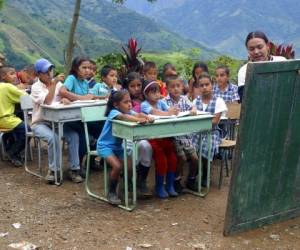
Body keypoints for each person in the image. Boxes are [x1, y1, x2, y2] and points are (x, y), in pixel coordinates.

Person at [30, 58, 83, 184]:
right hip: (40, 123)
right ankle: (53, 171)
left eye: (51, 70)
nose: (50, 74)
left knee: (74, 136)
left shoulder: (59, 85)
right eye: (46, 72)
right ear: (38, 74)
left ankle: (74, 169)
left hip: (57, 122)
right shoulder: (36, 87)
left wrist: (66, 100)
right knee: (53, 138)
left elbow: (67, 97)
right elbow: (48, 101)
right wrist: (54, 84)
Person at [97, 89, 153, 205]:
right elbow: (123, 117)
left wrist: (147, 117)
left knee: (130, 166)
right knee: (117, 166)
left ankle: (124, 188)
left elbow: (138, 114)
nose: (129, 104)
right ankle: (111, 192)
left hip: (118, 147)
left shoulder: (128, 111)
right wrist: (139, 120)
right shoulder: (114, 112)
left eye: (130, 101)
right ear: (116, 104)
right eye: (125, 102)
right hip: (105, 146)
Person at [59, 56, 99, 172]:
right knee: (84, 135)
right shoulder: (72, 78)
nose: (88, 70)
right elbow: (62, 91)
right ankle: (78, 165)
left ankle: (90, 161)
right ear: (76, 69)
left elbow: (88, 97)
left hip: (83, 117)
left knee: (101, 130)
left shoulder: (85, 82)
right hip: (71, 119)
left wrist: (104, 97)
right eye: (84, 68)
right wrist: (80, 98)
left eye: (89, 68)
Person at [141, 80, 178, 198]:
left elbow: (169, 110)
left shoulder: (161, 102)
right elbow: (155, 112)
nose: (157, 94)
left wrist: (173, 111)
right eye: (153, 92)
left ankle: (170, 185)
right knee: (161, 160)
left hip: (164, 137)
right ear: (146, 94)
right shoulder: (144, 105)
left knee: (172, 159)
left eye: (158, 91)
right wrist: (168, 113)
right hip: (152, 138)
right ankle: (159, 186)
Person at [164, 76, 199, 193]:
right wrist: (169, 113)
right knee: (182, 158)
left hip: (186, 135)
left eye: (178, 86)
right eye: (172, 87)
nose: (176, 89)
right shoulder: (165, 101)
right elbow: (164, 114)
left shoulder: (184, 99)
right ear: (167, 88)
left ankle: (191, 179)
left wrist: (193, 108)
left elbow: (193, 106)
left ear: (182, 87)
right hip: (173, 135)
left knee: (195, 158)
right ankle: (176, 180)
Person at [193, 73, 227, 187]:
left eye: (207, 84)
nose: (204, 87)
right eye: (201, 85)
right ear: (198, 87)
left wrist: (199, 121)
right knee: (191, 147)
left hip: (212, 132)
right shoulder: (195, 102)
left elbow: (214, 122)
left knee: (207, 145)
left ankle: (205, 174)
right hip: (197, 132)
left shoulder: (218, 101)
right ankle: (193, 174)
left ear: (212, 85)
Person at [122, 72, 153, 196]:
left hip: (141, 136)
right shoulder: (122, 100)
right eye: (132, 86)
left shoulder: (146, 99)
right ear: (126, 87)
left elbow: (143, 114)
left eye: (139, 85)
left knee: (146, 147)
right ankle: (127, 181)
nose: (136, 89)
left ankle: (142, 181)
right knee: (131, 151)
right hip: (125, 137)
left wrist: (147, 116)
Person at [238, 31, 287, 101]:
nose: (256, 52)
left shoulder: (281, 62)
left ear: (267, 46)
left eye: (260, 47)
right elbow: (245, 99)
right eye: (251, 49)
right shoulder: (244, 71)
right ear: (247, 50)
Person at [0, 79, 26, 167]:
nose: (15, 76)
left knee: (16, 127)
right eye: (11, 73)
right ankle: (13, 152)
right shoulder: (7, 86)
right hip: (5, 119)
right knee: (26, 130)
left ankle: (8, 148)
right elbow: (25, 97)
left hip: (5, 119)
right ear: (3, 76)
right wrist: (17, 89)